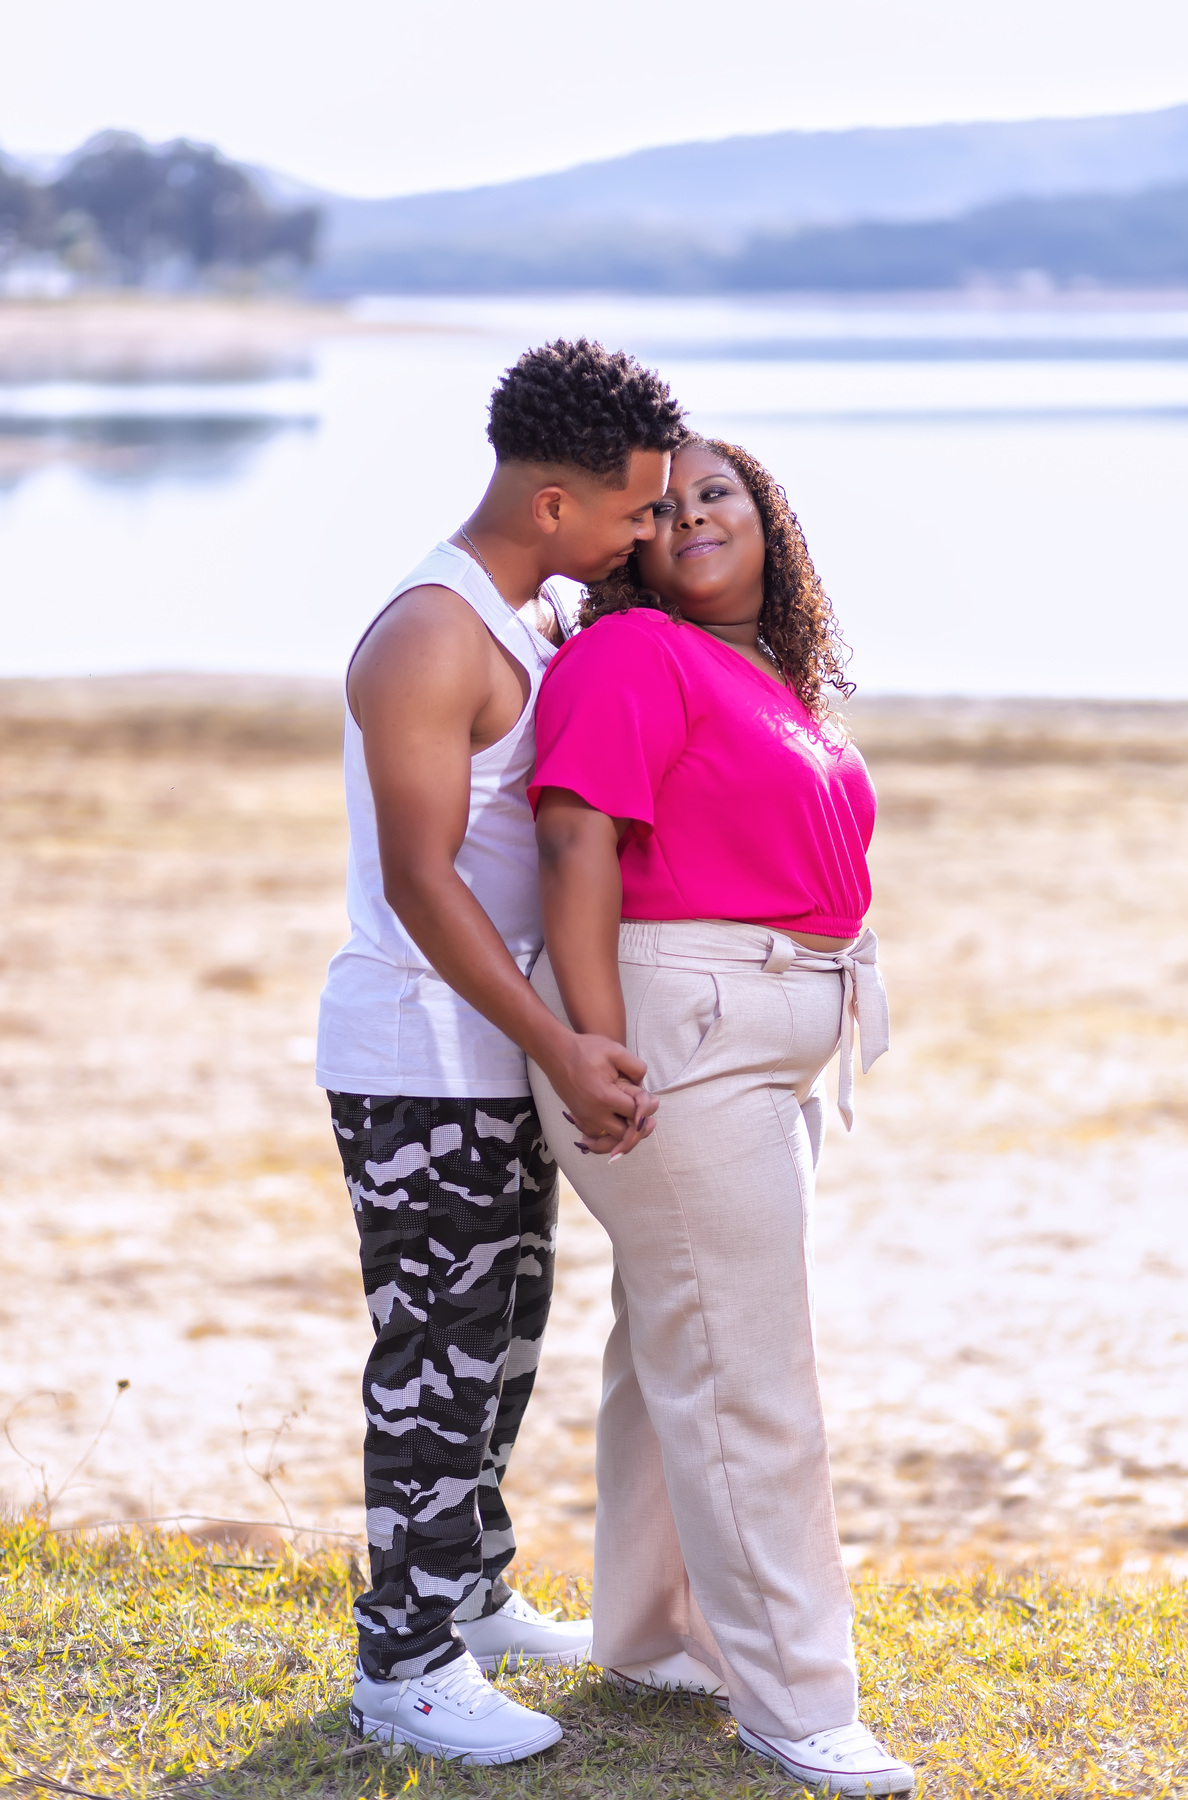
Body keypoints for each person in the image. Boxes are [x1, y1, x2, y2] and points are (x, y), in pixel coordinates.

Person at [526, 436, 914, 1794]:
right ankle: (797, 1700)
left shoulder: (761, 676)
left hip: (758, 1043)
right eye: (665, 505)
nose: (691, 515)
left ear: (769, 520)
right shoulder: (634, 651)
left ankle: (652, 1633)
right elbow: (573, 835)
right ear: (630, 541)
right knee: (749, 1372)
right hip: (671, 1036)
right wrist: (596, 1042)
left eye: (719, 494)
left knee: (674, 1339)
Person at [316, 339, 684, 1766]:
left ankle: (465, 1594)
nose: (644, 533)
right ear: (551, 503)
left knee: (502, 1341)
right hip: (420, 1052)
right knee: (435, 1359)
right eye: (634, 509)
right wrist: (562, 1042)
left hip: (491, 1055)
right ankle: (403, 1667)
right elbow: (423, 881)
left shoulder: (530, 618)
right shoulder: (431, 633)